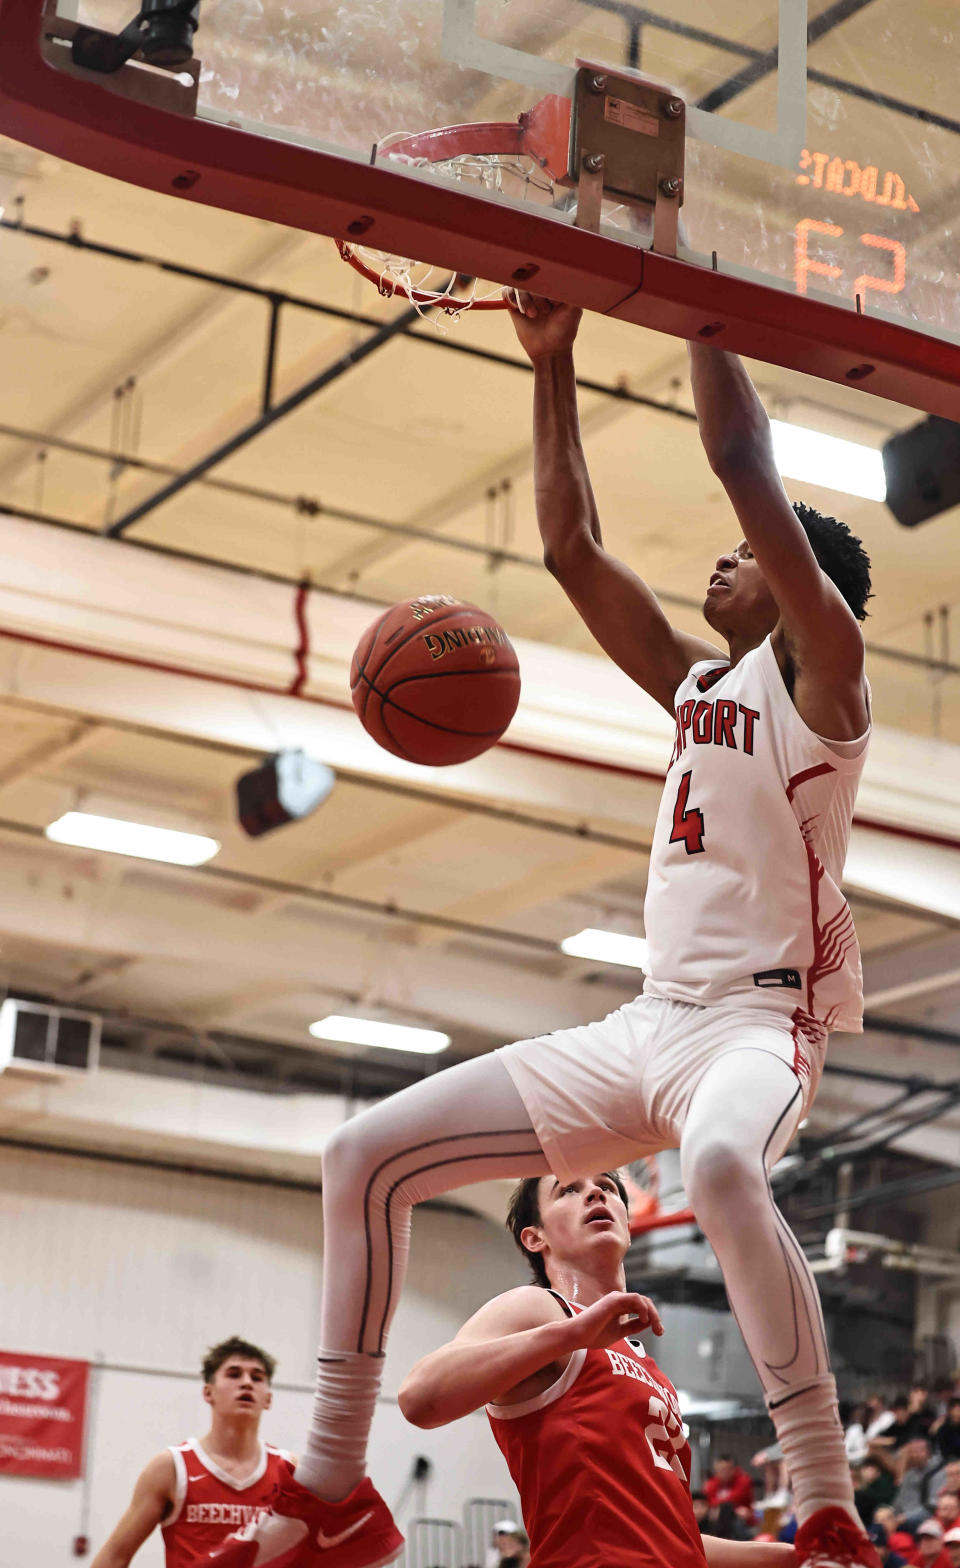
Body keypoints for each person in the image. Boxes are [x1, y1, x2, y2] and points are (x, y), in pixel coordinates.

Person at [208, 303, 876, 1568]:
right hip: (646, 1025)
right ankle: (337, 1481)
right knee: (363, 1151)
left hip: (757, 1023)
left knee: (727, 1168)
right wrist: (553, 357)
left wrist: (699, 309)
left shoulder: (830, 679)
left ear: (801, 585)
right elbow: (572, 549)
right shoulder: (697, 686)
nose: (718, 567)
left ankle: (822, 1479)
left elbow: (744, 458)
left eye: (745, 558)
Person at [399, 1168, 793, 1567]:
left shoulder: (649, 1366)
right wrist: (572, 1334)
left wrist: (786, 1557)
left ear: (626, 1217)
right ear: (536, 1237)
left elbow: (666, 1532)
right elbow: (419, 1398)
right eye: (568, 1190)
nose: (594, 1194)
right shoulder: (539, 1308)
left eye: (606, 1186)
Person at [91, 1336, 292, 1568]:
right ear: (208, 1392)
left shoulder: (288, 1469)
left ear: (268, 1399)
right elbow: (114, 1556)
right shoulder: (172, 1467)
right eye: (234, 1374)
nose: (247, 1383)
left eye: (257, 1377)